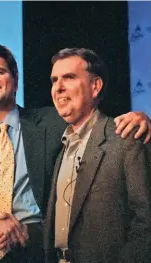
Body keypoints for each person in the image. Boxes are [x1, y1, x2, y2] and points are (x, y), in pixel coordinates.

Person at [0, 43, 151, 263]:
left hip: (45, 253)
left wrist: (140, 119)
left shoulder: (55, 122)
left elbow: (94, 126)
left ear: (16, 80)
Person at [43, 48, 151, 263]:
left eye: (69, 78)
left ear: (95, 86)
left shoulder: (126, 138)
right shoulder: (61, 146)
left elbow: (146, 223)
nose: (59, 88)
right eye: (54, 80)